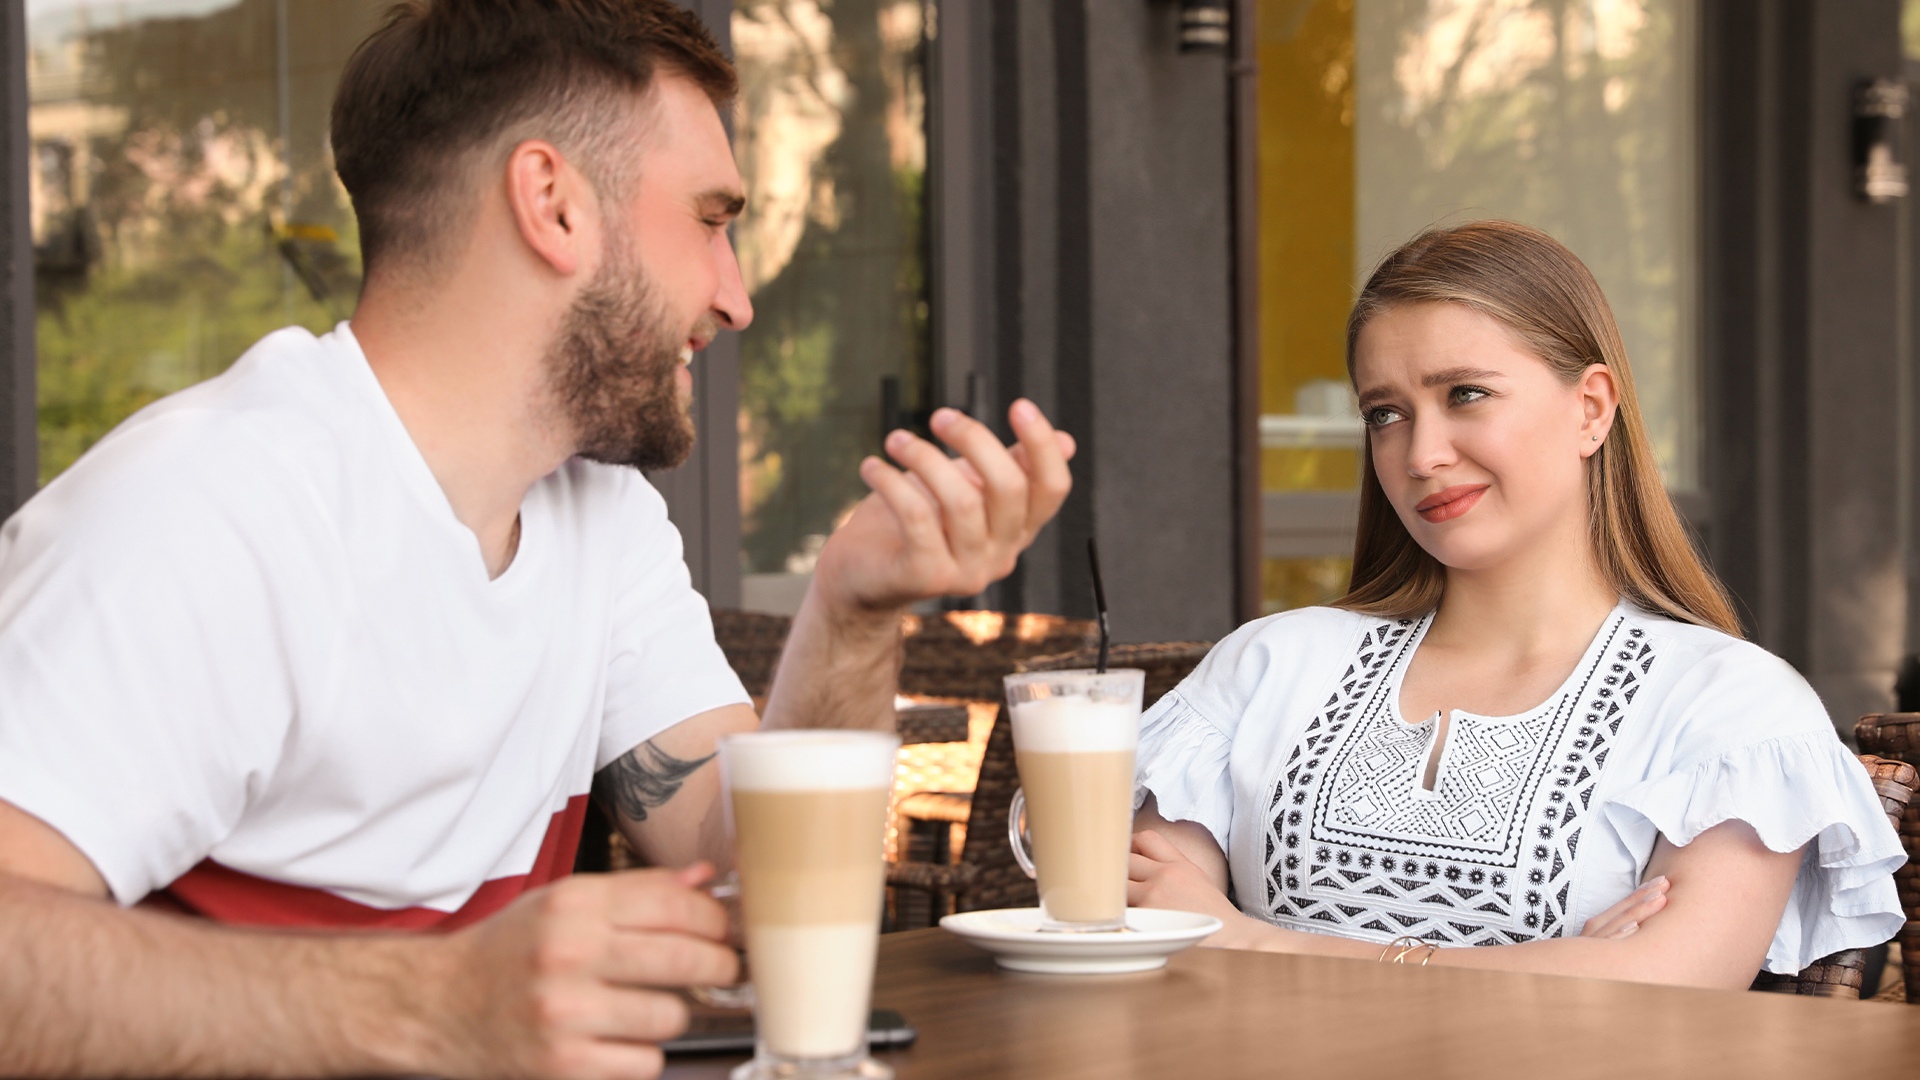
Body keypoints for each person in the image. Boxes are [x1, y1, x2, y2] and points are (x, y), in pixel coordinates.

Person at [0, 2, 1073, 1077]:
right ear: (553, 203)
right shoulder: (209, 512)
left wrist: (852, 605)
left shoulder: (599, 525)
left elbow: (759, 892)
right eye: (710, 219)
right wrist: (435, 1005)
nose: (736, 299)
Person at [1127, 220, 1905, 988]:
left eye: (1466, 394)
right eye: (1385, 414)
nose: (1421, 454)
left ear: (1592, 408)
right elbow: (1151, 933)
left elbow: (1669, 996)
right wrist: (1562, 971)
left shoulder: (1731, 705)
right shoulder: (1271, 663)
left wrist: (1259, 946)